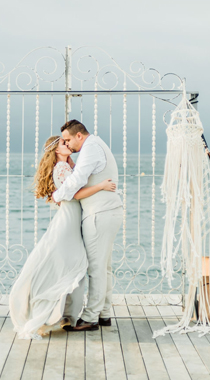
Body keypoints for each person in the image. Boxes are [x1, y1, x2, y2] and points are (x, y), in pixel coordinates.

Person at [8, 136, 117, 339]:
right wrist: (101, 186)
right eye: (62, 144)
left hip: (73, 216)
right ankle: (64, 314)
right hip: (70, 218)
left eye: (67, 142)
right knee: (74, 263)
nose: (67, 145)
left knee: (73, 264)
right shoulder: (61, 167)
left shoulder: (67, 166)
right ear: (56, 151)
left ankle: (67, 315)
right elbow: (75, 194)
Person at [54, 120, 123, 332]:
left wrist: (56, 195)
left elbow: (76, 181)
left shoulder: (90, 149)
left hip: (99, 214)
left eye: (67, 139)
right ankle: (104, 314)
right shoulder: (95, 145)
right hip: (107, 212)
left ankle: (91, 317)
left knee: (96, 268)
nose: (66, 143)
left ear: (79, 136)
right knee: (104, 267)